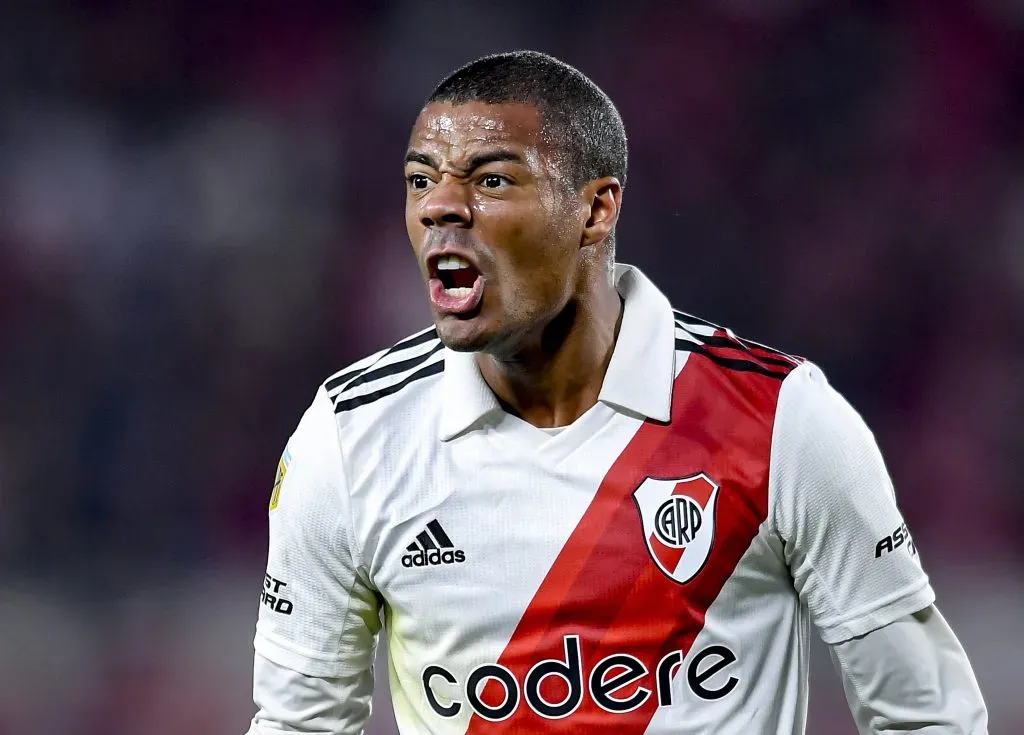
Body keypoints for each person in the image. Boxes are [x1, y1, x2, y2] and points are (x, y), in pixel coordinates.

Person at [245, 51, 987, 734]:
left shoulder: (784, 421)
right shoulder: (349, 437)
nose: (441, 206)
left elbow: (927, 717)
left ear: (596, 211)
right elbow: (298, 724)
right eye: (420, 179)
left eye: (491, 178)